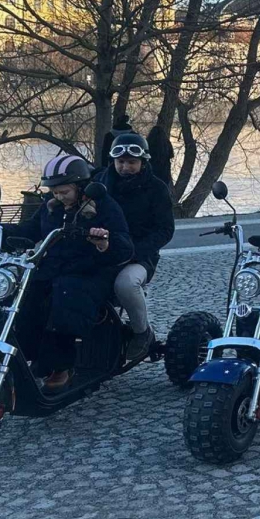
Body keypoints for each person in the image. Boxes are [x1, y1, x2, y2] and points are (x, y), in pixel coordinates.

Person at [1, 154, 133, 391]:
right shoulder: (51, 207)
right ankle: (30, 358)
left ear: (81, 187)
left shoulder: (104, 206)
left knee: (65, 300)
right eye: (54, 192)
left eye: (64, 192)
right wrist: (1, 231)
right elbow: (30, 229)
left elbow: (124, 245)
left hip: (90, 271)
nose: (59, 197)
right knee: (24, 300)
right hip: (53, 268)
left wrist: (103, 243)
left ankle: (62, 366)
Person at [96, 132, 175, 361]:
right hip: (102, 251)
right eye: (120, 162)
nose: (125, 167)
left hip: (140, 256)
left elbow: (165, 230)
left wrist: (135, 252)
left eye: (131, 162)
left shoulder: (157, 188)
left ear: (143, 162)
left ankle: (142, 332)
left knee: (126, 284)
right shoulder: (99, 182)